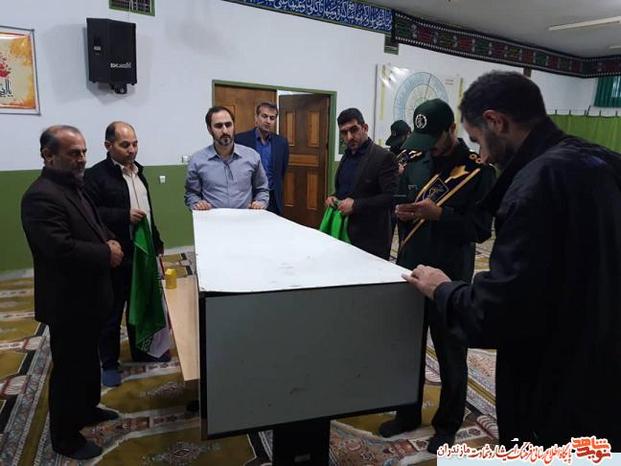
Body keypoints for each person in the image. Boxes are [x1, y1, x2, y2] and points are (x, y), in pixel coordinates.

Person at [404, 71, 621, 450]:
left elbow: (497, 315)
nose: (484, 155)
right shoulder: (601, 161)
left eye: (478, 140)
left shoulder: (536, 184)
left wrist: (443, 289)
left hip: (556, 391)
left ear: (496, 122)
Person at [379, 99, 496, 453]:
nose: (429, 147)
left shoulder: (478, 171)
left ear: (451, 130)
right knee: (408, 350)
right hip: (411, 270)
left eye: (435, 139)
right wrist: (401, 213)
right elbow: (402, 203)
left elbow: (480, 229)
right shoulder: (415, 161)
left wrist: (440, 215)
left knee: (450, 354)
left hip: (449, 279)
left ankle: (447, 424)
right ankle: (407, 413)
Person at [21, 126, 122, 459]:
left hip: (91, 296)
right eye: (73, 153)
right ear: (48, 156)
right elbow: (59, 249)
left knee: (87, 360)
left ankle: (87, 409)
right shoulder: (40, 196)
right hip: (68, 301)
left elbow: (94, 225)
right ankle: (65, 437)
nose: (81, 159)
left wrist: (110, 239)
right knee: (68, 369)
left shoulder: (74, 186)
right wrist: (106, 253)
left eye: (83, 152)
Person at [84, 121, 168, 388]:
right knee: (111, 312)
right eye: (125, 145)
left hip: (142, 254)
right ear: (108, 146)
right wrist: (122, 216)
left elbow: (148, 212)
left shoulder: (139, 172)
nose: (132, 150)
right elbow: (89, 215)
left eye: (135, 144)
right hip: (115, 255)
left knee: (140, 304)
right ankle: (109, 363)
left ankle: (142, 350)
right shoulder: (95, 176)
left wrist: (156, 242)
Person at [324, 108, 398, 259]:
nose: (349, 137)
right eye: (344, 132)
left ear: (365, 128)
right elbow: (346, 189)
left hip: (371, 238)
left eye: (354, 130)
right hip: (343, 233)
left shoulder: (384, 157)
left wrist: (356, 205)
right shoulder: (347, 156)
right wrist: (333, 197)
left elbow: (391, 197)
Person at [185, 106, 269, 210]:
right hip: (212, 219)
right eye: (218, 126)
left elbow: (262, 189)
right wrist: (197, 203)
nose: (225, 131)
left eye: (228, 125)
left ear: (234, 126)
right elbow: (191, 194)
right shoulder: (197, 160)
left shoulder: (252, 156)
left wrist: (261, 202)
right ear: (209, 129)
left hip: (245, 218)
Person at [235, 102, 290, 215]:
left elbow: (281, 171)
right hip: (249, 198)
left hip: (273, 198)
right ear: (256, 117)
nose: (268, 121)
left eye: (272, 118)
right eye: (264, 116)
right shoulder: (240, 140)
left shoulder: (281, 143)